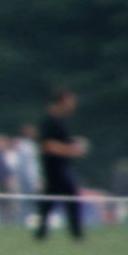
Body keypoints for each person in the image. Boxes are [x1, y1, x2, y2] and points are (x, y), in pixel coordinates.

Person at [35, 87, 88, 241]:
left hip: (60, 168)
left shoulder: (60, 121)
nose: (73, 104)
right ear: (62, 102)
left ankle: (41, 234)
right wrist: (71, 150)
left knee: (48, 203)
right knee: (71, 198)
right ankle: (76, 234)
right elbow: (48, 145)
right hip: (55, 168)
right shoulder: (50, 122)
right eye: (70, 100)